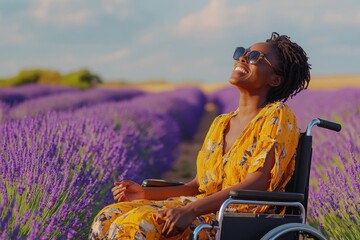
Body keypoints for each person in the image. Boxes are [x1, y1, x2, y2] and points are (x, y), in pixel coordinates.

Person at [89, 32, 311, 240]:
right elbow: (198, 185)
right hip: (200, 206)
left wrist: (189, 210)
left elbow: (259, 181)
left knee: (139, 224)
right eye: (242, 52)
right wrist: (144, 194)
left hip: (237, 217)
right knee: (107, 217)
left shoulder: (277, 115)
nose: (243, 58)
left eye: (255, 57)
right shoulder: (220, 123)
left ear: (275, 80)